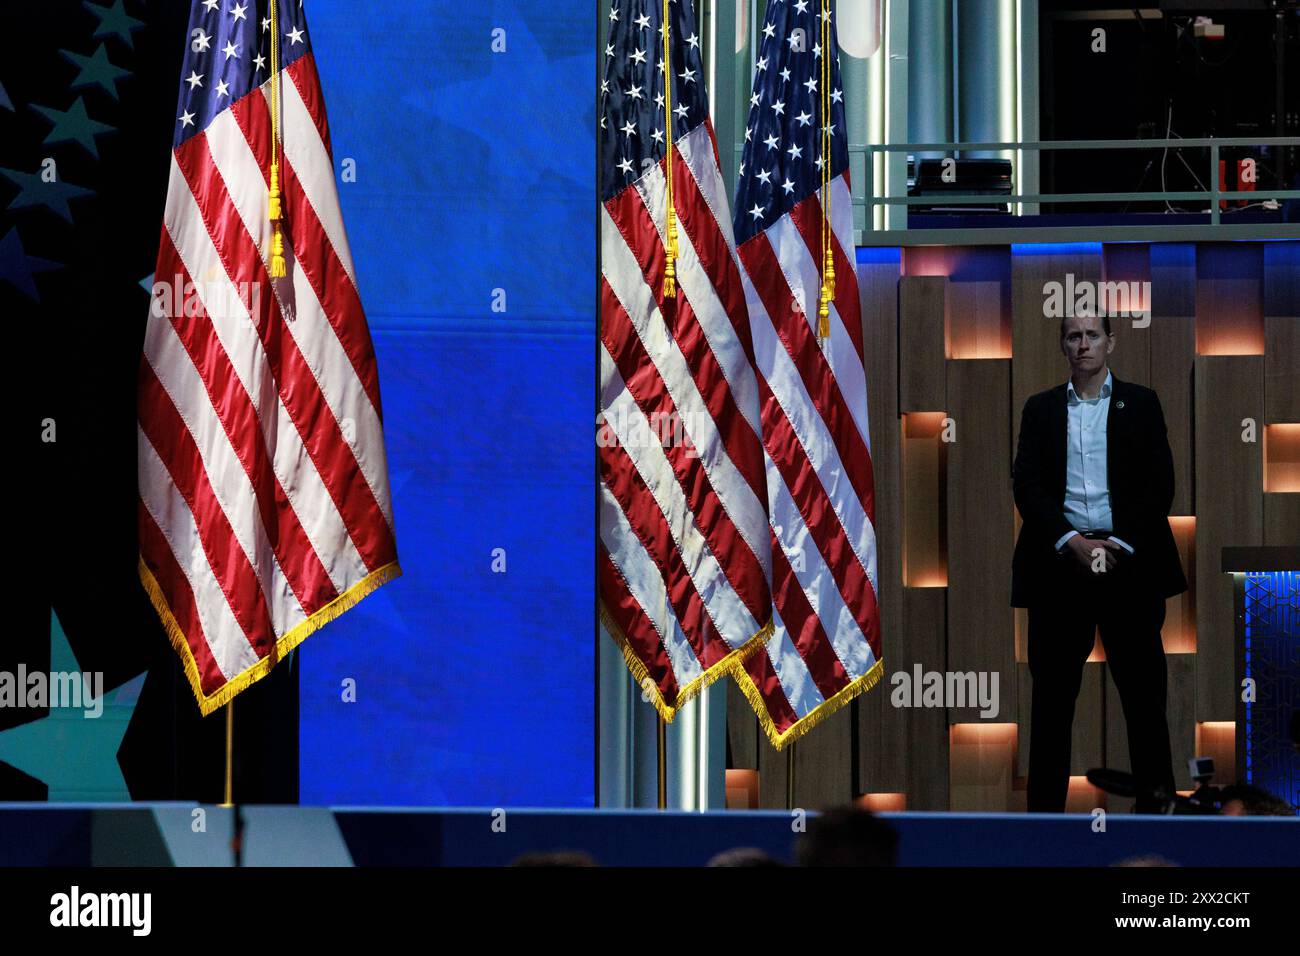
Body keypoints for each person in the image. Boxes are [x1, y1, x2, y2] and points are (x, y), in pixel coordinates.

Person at [1012, 311, 1187, 814]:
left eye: (1092, 335)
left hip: (1129, 565)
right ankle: (1045, 824)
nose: (1083, 344)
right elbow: (1027, 486)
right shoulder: (1040, 409)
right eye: (1073, 336)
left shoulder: (1143, 403)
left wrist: (1118, 545)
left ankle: (1157, 816)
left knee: (1145, 701)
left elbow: (1160, 485)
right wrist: (1072, 541)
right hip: (1059, 568)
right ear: (1063, 346)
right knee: (1051, 705)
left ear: (1110, 342)